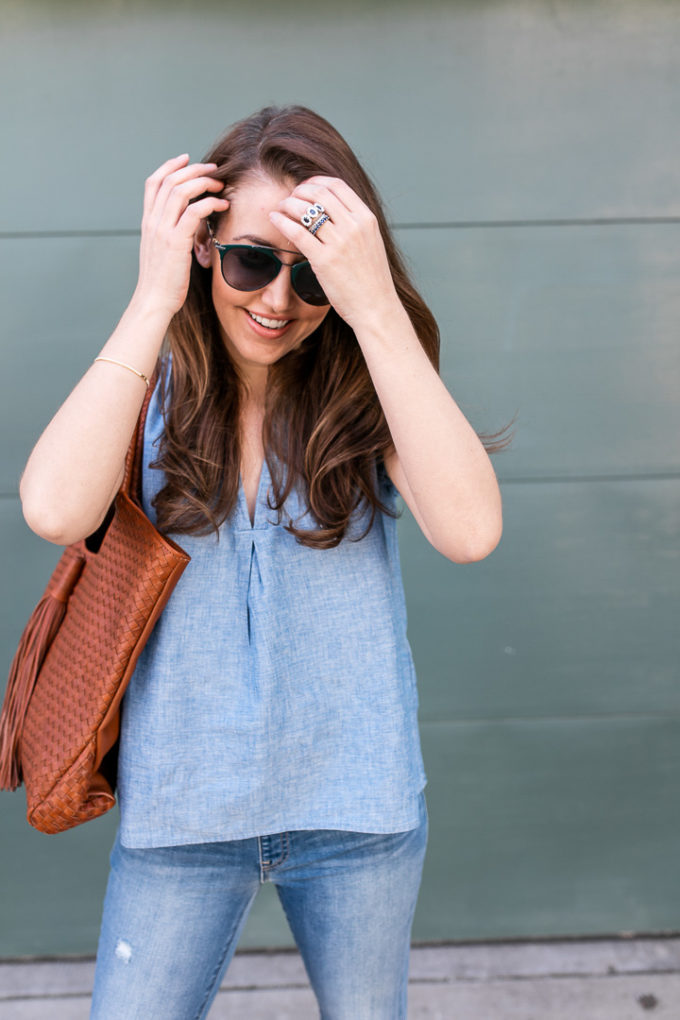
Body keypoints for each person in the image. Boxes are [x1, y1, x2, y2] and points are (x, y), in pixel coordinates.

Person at [19, 106, 503, 1019]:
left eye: (313, 273)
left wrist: (374, 307)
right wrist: (153, 295)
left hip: (355, 810)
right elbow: (52, 507)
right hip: (181, 813)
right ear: (203, 246)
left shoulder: (366, 388)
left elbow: (472, 530)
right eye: (249, 259)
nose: (278, 301)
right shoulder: (148, 384)